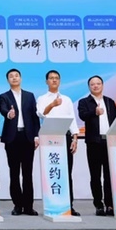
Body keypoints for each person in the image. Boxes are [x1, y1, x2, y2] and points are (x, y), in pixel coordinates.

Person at [36, 70, 80, 216]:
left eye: (56, 78)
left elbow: (72, 119)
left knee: (66, 171)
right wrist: (53, 104)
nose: (54, 80)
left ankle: (69, 205)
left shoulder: (66, 99)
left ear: (59, 81)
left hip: (65, 137)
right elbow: (41, 113)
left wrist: (75, 138)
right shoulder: (42, 98)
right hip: (49, 138)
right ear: (46, 81)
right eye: (51, 78)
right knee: (51, 170)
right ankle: (52, 203)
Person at [0, 68, 41, 216]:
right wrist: (9, 114)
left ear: (21, 78)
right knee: (14, 173)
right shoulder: (4, 96)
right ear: (8, 80)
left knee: (28, 173)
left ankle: (28, 206)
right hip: (12, 138)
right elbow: (3, 109)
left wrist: (36, 136)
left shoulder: (30, 96)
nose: (14, 78)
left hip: (27, 137)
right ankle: (17, 205)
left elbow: (35, 118)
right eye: (11, 76)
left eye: (16, 76)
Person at [77, 75, 116, 216]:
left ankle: (110, 204)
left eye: (98, 83)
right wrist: (94, 112)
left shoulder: (110, 102)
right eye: (92, 84)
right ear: (89, 87)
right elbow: (82, 116)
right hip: (94, 142)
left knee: (109, 175)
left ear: (102, 85)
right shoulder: (84, 102)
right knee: (95, 175)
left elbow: (115, 120)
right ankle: (98, 204)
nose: (95, 86)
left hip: (110, 142)